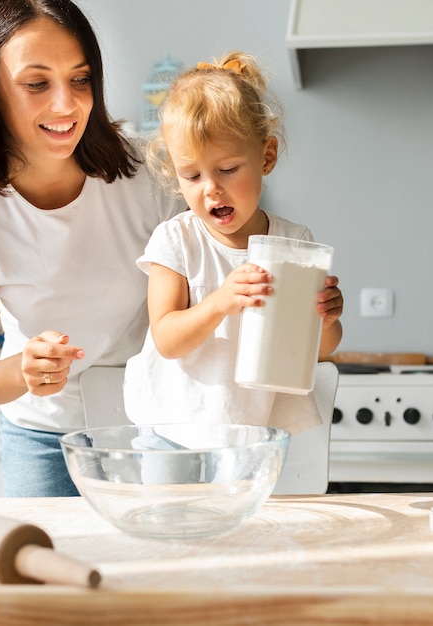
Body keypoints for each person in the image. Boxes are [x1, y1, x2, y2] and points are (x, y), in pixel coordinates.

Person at [0, 0, 184, 497]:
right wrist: (21, 371)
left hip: (151, 424)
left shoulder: (148, 177)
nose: (66, 105)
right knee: (54, 572)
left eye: (80, 79)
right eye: (36, 83)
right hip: (42, 435)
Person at [123, 51, 344, 433]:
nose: (211, 189)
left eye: (227, 169)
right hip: (173, 429)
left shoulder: (292, 242)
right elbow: (167, 340)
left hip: (253, 434)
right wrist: (220, 302)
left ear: (267, 156)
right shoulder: (176, 240)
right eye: (191, 176)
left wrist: (326, 319)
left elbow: (321, 350)